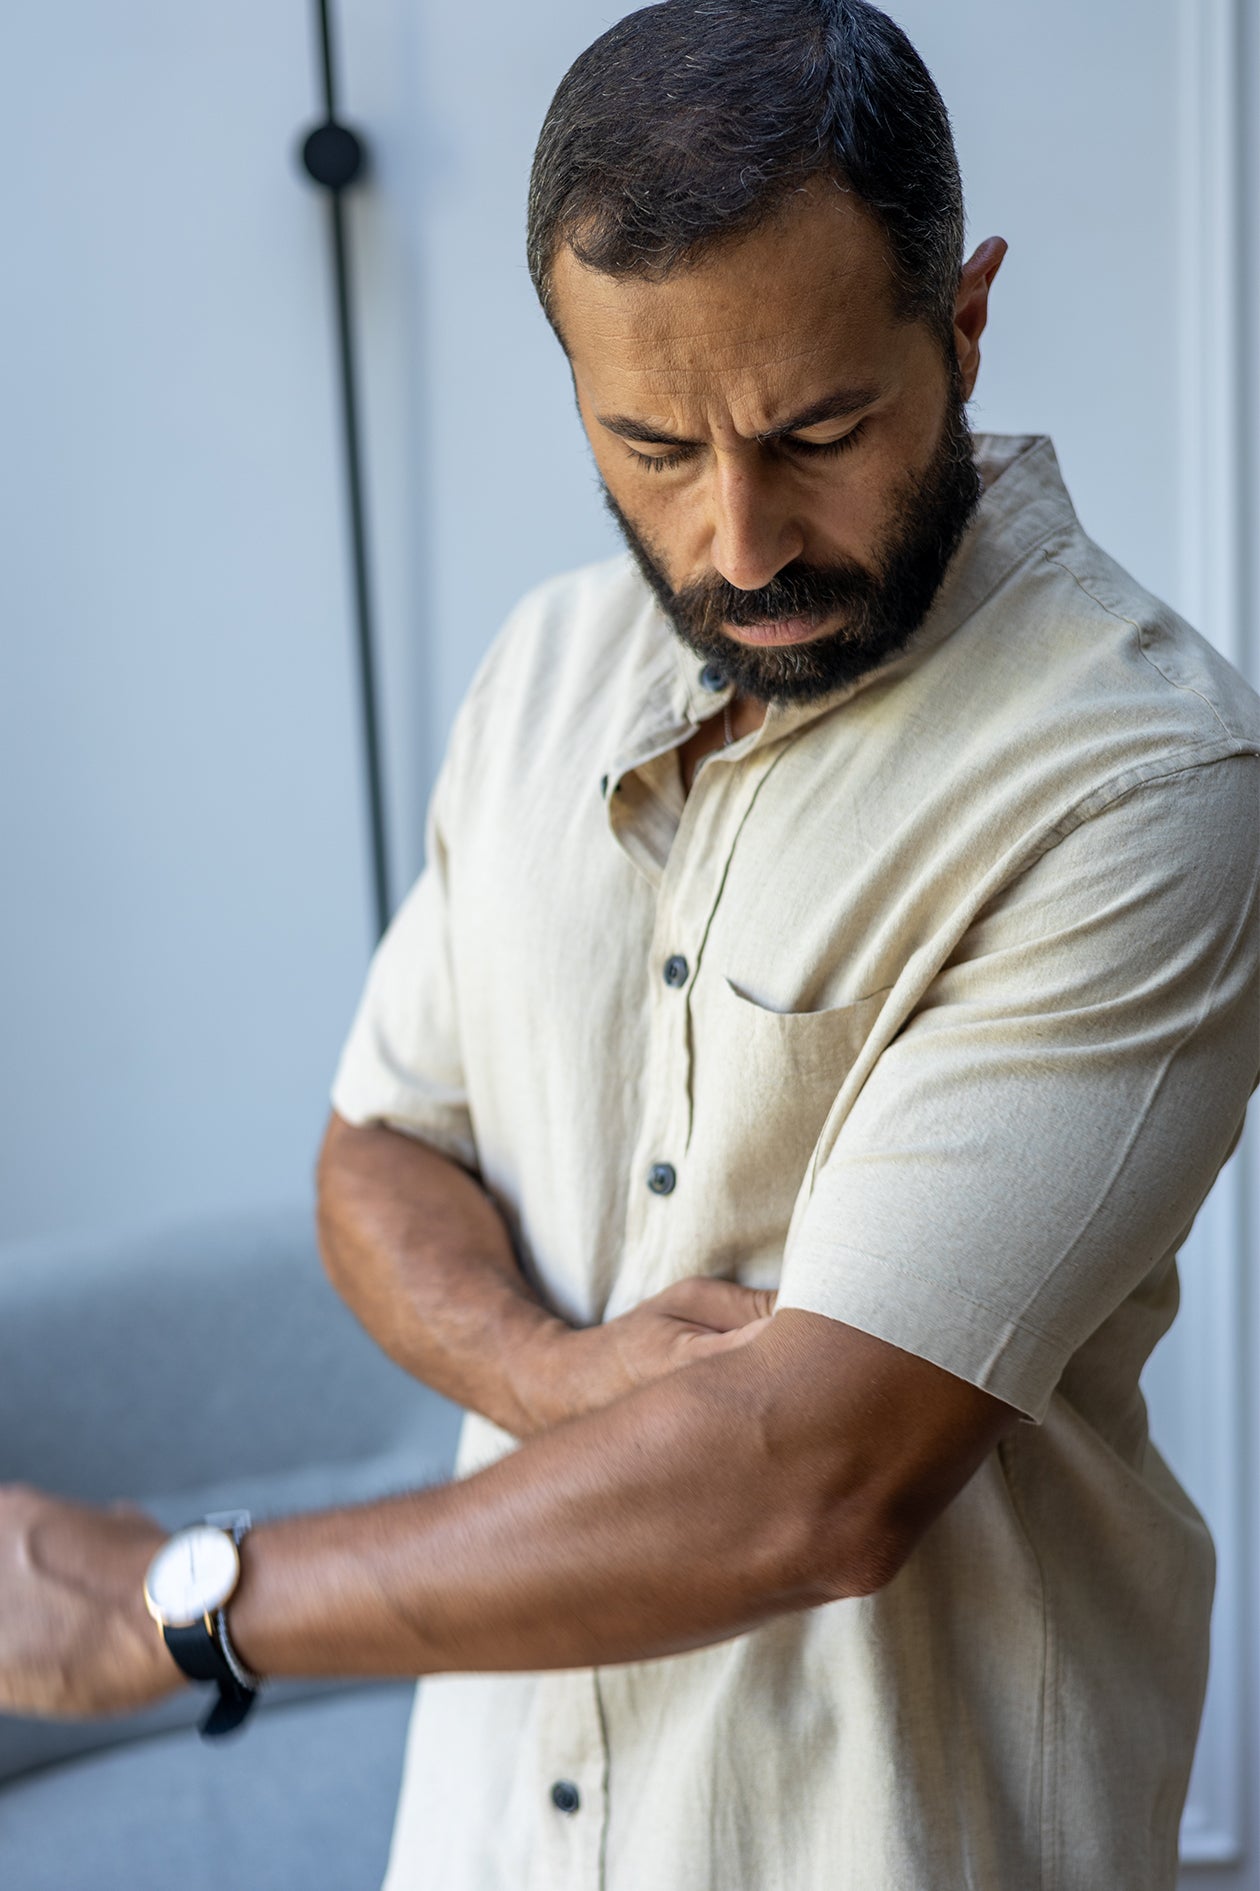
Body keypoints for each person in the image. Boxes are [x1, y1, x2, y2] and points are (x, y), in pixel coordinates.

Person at [2, 2, 1257, 1885]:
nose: (739, 542)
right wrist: (547, 1376)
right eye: (654, 444)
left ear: (967, 321)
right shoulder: (541, 670)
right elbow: (378, 1148)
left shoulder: (1142, 784)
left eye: (818, 431)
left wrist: (172, 1605)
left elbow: (815, 1481)